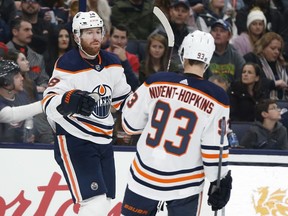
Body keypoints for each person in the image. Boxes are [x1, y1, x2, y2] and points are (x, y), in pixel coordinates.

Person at [120, 30, 232, 215]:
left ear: (183, 54)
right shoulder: (217, 97)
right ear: (208, 60)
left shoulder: (156, 81)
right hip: (185, 186)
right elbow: (214, 149)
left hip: (144, 178)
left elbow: (129, 125)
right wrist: (219, 180)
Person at [42, 11, 132, 215]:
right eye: (88, 32)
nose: (95, 37)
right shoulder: (68, 64)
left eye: (98, 31)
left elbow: (122, 100)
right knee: (94, 203)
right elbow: (48, 102)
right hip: (75, 138)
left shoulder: (112, 62)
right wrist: (67, 101)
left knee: (105, 199)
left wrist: (145, 104)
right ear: (76, 36)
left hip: (104, 140)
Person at [0, 60, 43, 143]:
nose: (22, 78)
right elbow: (10, 114)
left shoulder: (23, 96)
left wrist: (32, 135)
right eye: (17, 76)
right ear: (5, 82)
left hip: (20, 150)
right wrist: (44, 104)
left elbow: (31, 123)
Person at [6, 17, 49, 94]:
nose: (31, 33)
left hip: (34, 97)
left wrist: (40, 88)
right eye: (26, 30)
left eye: (31, 30)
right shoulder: (3, 53)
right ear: (15, 32)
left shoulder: (38, 58)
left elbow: (44, 81)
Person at [244, 32, 288, 100]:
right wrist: (274, 83)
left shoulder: (282, 63)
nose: (277, 52)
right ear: (263, 48)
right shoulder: (252, 59)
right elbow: (252, 82)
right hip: (261, 104)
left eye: (279, 49)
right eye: (273, 48)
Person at [206, 19, 246, 84]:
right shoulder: (204, 53)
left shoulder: (235, 55)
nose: (218, 33)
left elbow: (242, 78)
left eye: (222, 31)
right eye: (214, 30)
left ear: (229, 36)